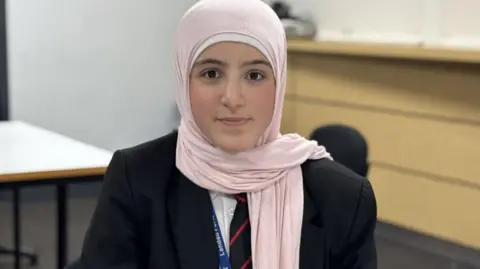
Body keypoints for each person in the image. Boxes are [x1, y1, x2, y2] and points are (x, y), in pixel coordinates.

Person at [78, 0, 377, 268]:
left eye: (255, 75)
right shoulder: (137, 179)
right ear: (184, 79)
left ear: (280, 82)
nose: (232, 98)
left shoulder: (342, 198)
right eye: (211, 74)